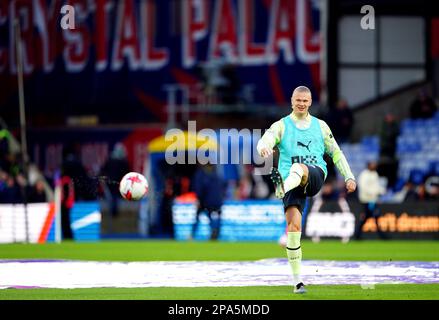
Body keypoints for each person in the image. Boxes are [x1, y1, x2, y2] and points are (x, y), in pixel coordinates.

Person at [257, 86, 356, 294]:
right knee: (293, 230)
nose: (301, 103)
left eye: (305, 100)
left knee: (298, 168)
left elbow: (336, 153)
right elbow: (265, 140)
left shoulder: (320, 126)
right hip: (290, 182)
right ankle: (297, 282)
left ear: (310, 102)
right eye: (298, 100)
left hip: (315, 174)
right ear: (292, 101)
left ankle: (281, 187)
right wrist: (264, 147)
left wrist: (349, 176)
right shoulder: (281, 125)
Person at [190, 163, 225, 241]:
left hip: (205, 201)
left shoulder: (201, 174)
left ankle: (192, 235)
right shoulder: (216, 174)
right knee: (214, 216)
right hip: (217, 201)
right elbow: (222, 186)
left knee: (198, 217)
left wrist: (198, 200)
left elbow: (198, 188)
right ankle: (215, 230)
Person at [354, 161, 388, 240]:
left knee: (373, 217)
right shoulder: (364, 175)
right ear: (368, 165)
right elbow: (364, 188)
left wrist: (382, 191)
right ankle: (357, 234)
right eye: (372, 164)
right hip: (366, 200)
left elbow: (376, 186)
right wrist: (375, 192)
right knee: (368, 217)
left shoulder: (375, 174)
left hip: (373, 200)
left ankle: (358, 234)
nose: (374, 166)